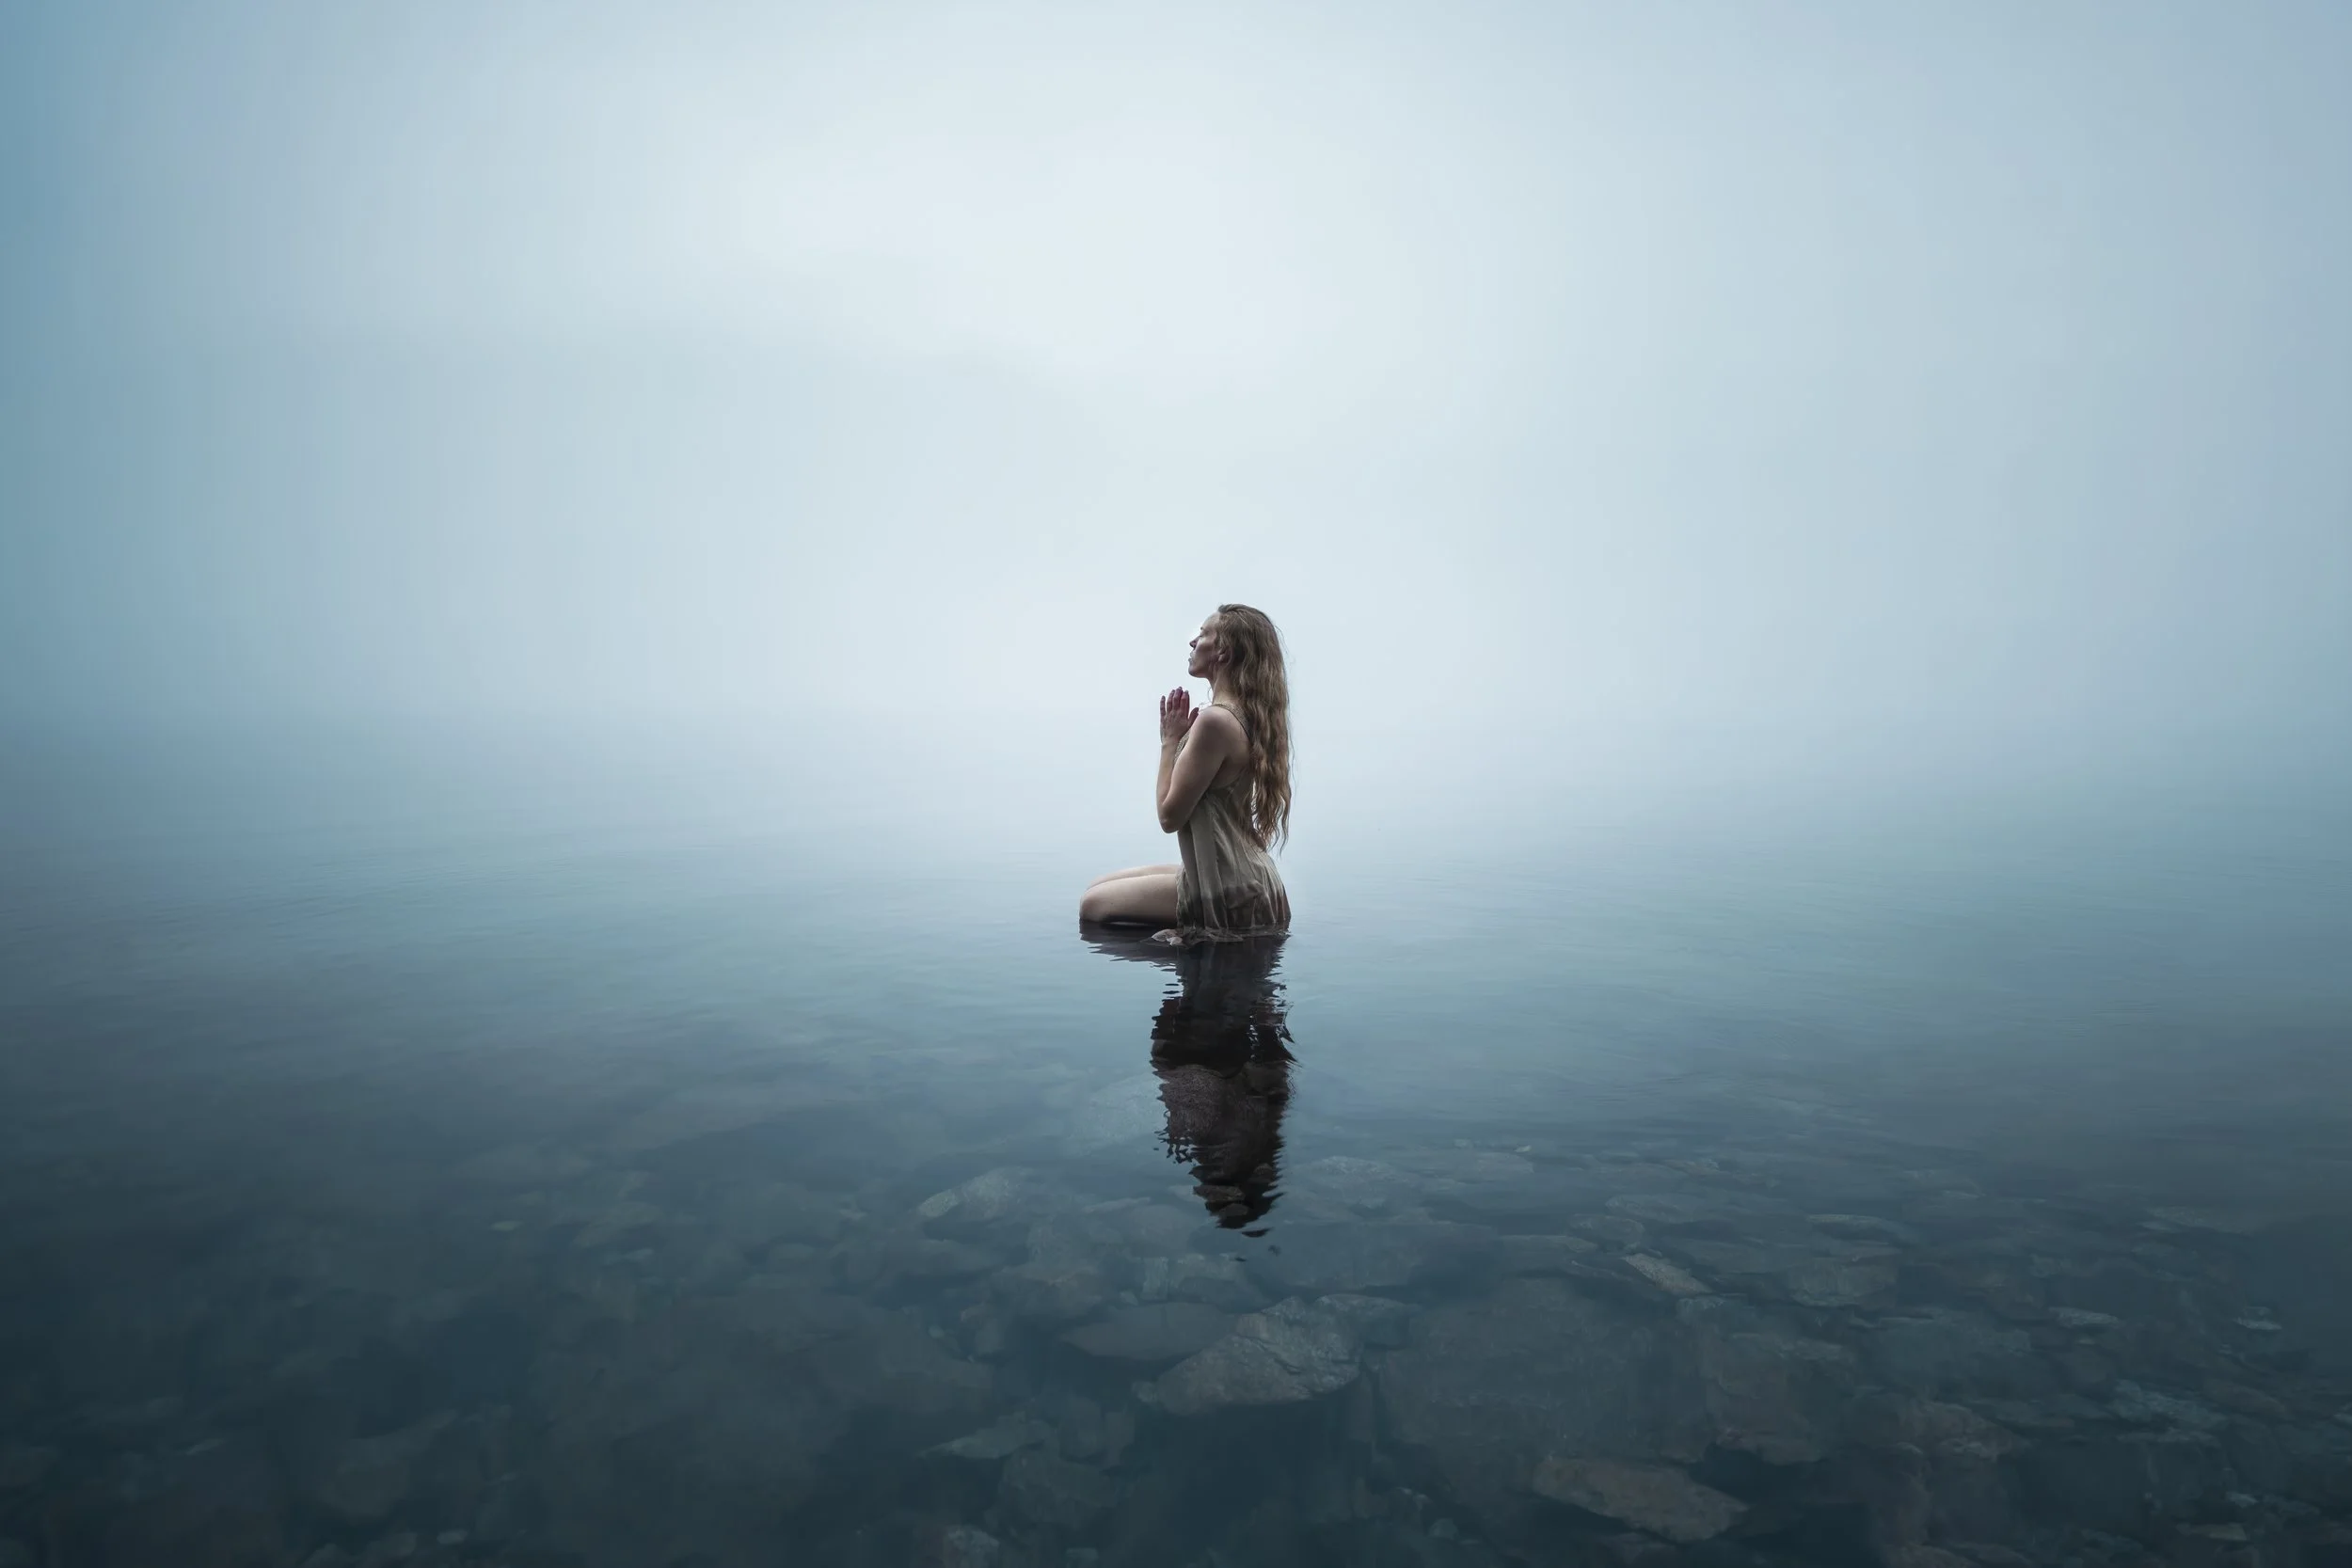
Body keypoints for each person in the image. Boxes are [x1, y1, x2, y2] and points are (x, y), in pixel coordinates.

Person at [1078, 604, 1292, 939]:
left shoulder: (1216, 722)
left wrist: (1169, 742)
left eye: (1204, 634)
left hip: (1231, 890)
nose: (1193, 642)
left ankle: (1190, 942)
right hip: (1246, 877)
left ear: (1223, 651)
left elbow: (1169, 817)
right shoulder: (1241, 714)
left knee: (1091, 905)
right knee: (1098, 886)